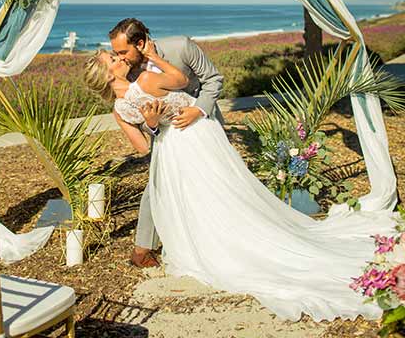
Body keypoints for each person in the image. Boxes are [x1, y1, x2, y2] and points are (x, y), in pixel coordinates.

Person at [84, 42, 396, 323]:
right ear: (107, 73)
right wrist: (151, 124)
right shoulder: (119, 109)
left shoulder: (146, 79)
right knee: (199, 202)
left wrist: (154, 62)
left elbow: (180, 82)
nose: (119, 57)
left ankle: (242, 237)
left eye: (117, 53)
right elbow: (141, 145)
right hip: (171, 151)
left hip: (197, 136)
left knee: (223, 193)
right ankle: (218, 242)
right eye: (113, 58)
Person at [108, 18, 224, 268]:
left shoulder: (181, 47)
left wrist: (198, 111)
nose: (119, 58)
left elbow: (213, 79)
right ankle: (143, 249)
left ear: (140, 44)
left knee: (215, 181)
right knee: (158, 183)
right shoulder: (131, 71)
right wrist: (150, 125)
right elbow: (141, 119)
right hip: (167, 136)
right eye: (115, 53)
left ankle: (216, 239)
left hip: (202, 123)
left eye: (122, 52)